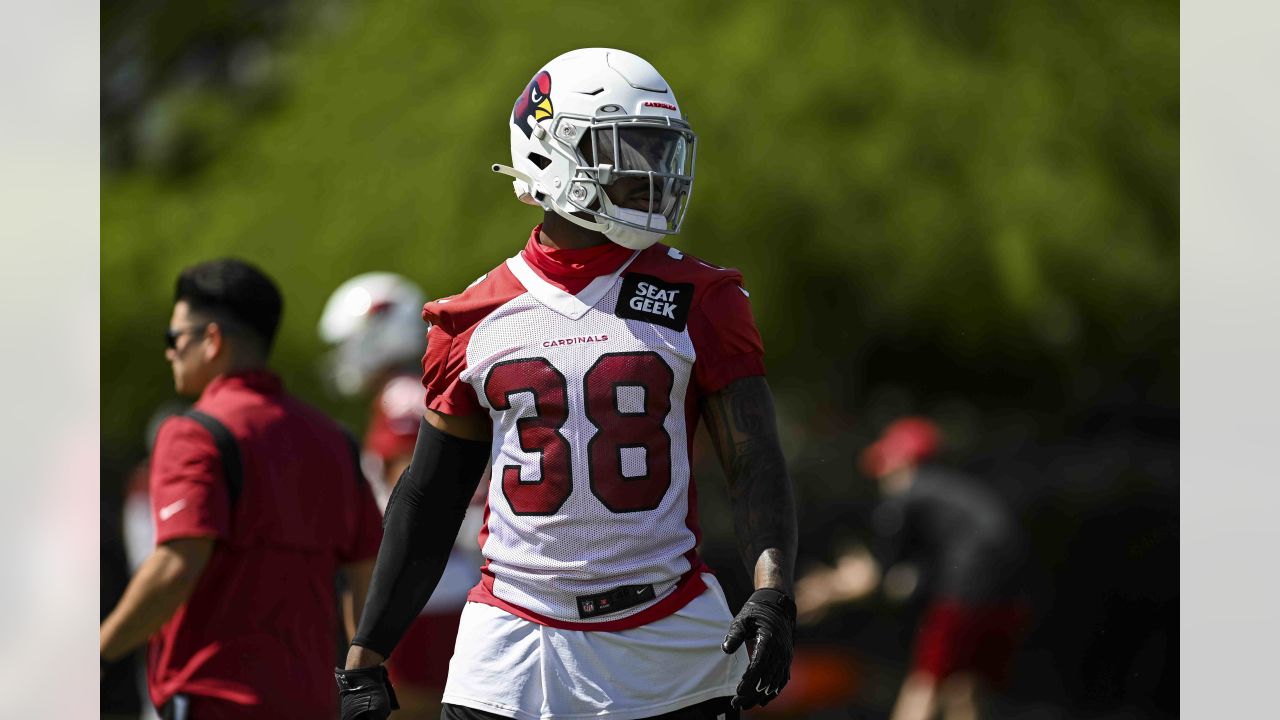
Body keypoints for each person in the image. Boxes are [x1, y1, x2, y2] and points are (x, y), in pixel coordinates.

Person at [335, 48, 799, 720]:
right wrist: (367, 653)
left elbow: (754, 461)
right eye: (630, 149)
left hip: (666, 631)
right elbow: (431, 497)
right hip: (514, 637)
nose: (653, 172)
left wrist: (773, 591)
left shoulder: (704, 296)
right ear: (553, 155)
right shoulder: (472, 317)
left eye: (659, 150)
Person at [99, 258, 384, 719]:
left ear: (211, 341)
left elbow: (177, 564)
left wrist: (100, 652)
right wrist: (360, 680)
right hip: (311, 701)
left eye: (174, 339)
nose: (169, 352)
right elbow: (367, 574)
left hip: (216, 699)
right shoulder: (334, 439)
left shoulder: (192, 432)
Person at [320, 272, 487, 718]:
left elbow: (412, 493)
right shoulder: (408, 394)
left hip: (428, 583)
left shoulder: (401, 398)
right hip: (449, 575)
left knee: (407, 705)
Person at [796, 417, 1029, 720]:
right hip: (1012, 595)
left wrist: (826, 591)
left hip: (965, 591)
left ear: (900, 461)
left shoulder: (907, 498)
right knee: (965, 686)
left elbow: (878, 576)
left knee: (924, 685)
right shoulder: (952, 494)